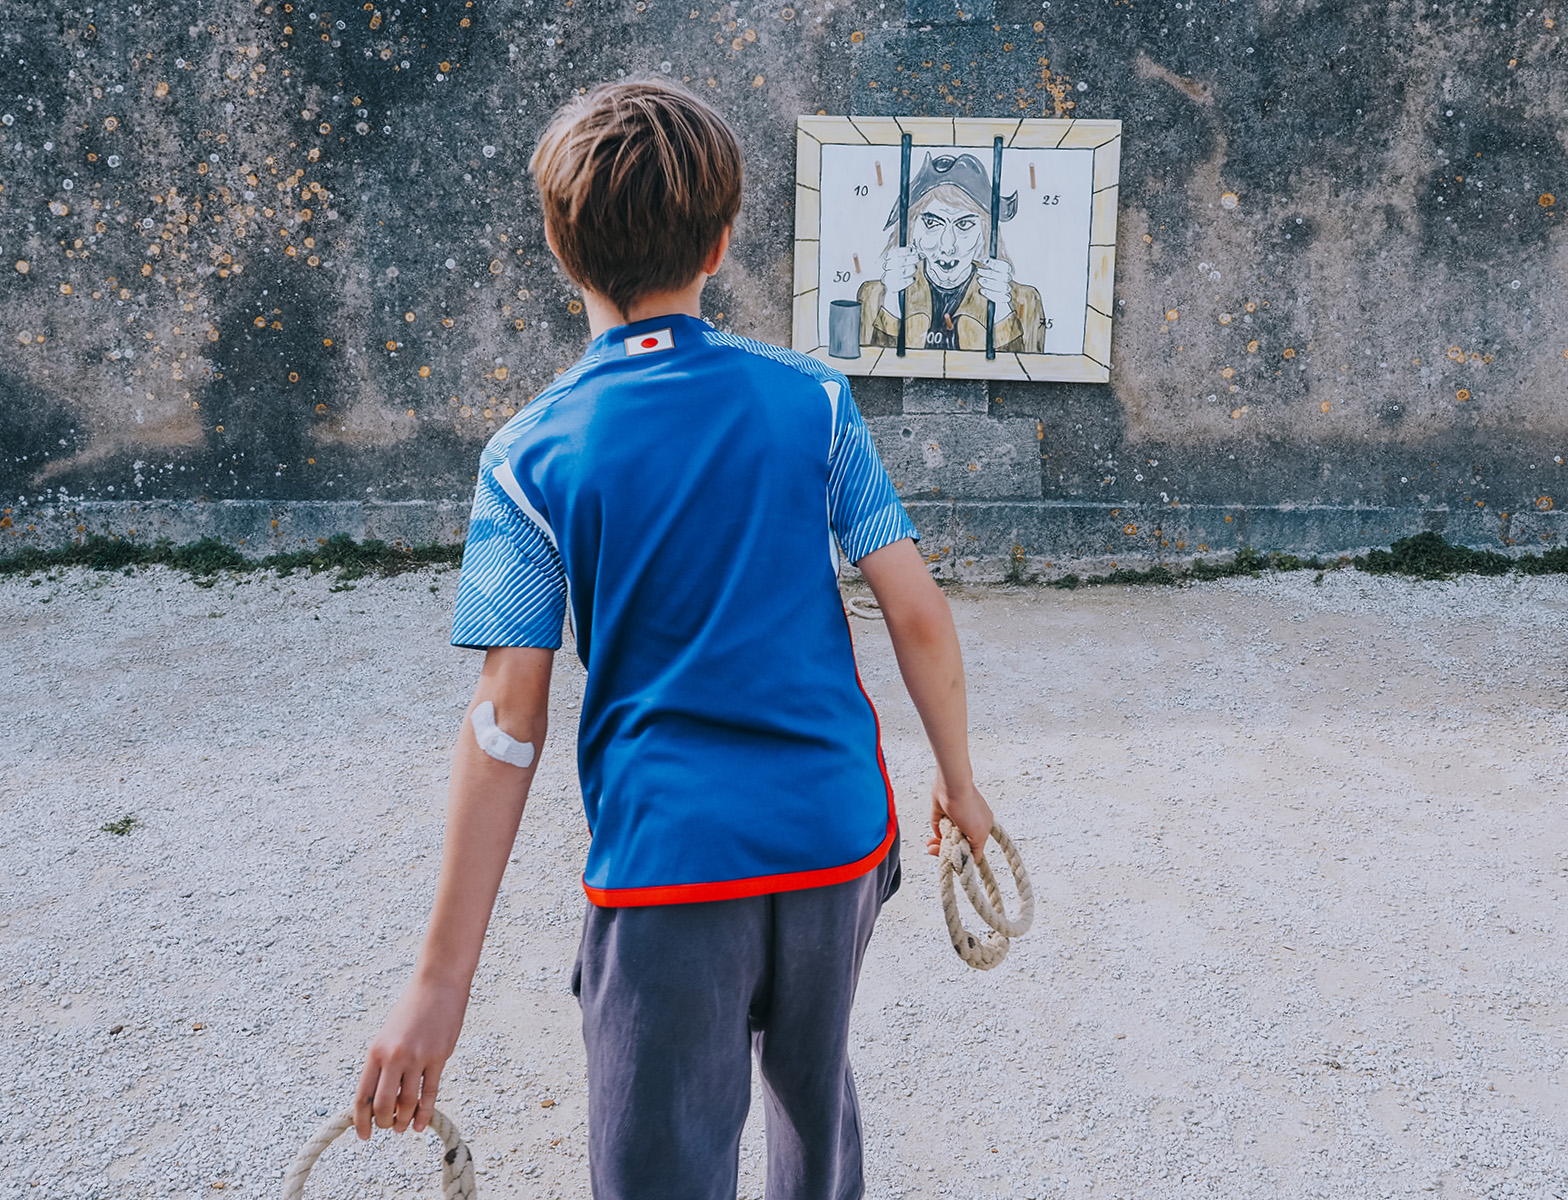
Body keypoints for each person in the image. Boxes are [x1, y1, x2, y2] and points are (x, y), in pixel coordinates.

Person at [350, 80, 998, 1200]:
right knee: (816, 1112)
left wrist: (439, 985)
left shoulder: (526, 458)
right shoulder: (815, 402)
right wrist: (960, 780)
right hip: (837, 837)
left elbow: (507, 725)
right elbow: (917, 612)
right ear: (721, 242)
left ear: (558, 247)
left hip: (670, 871)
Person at [855, 152, 1046, 353]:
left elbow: (1026, 370)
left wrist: (1001, 316)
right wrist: (892, 307)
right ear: (911, 229)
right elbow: (870, 368)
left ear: (985, 232)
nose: (947, 246)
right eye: (931, 223)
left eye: (964, 225)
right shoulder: (873, 297)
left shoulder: (1025, 301)